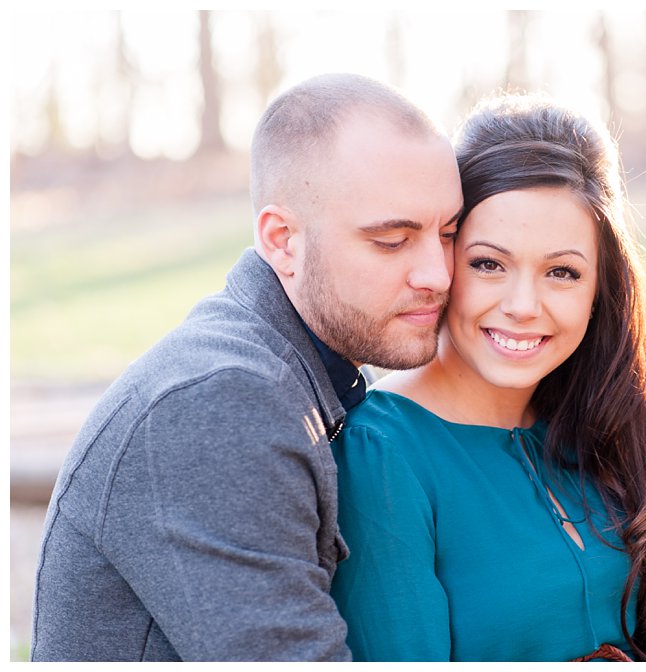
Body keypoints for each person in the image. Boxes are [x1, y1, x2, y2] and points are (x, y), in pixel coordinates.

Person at [31, 73, 464, 662]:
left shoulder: (296, 374)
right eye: (392, 240)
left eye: (449, 233)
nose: (437, 274)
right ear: (282, 240)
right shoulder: (220, 402)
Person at [328, 93, 646, 662]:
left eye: (561, 272)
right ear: (444, 260)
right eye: (489, 264)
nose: (523, 305)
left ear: (601, 291)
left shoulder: (603, 417)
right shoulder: (383, 453)